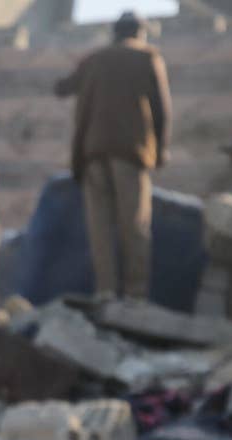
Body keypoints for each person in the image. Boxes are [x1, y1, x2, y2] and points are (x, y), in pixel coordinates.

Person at [55, 10, 171, 302]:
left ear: (115, 33)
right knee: (134, 226)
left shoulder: (95, 59)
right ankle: (135, 295)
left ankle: (105, 291)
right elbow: (161, 109)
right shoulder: (147, 57)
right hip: (130, 152)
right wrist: (161, 150)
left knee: (100, 228)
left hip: (93, 152)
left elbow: (62, 88)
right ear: (139, 32)